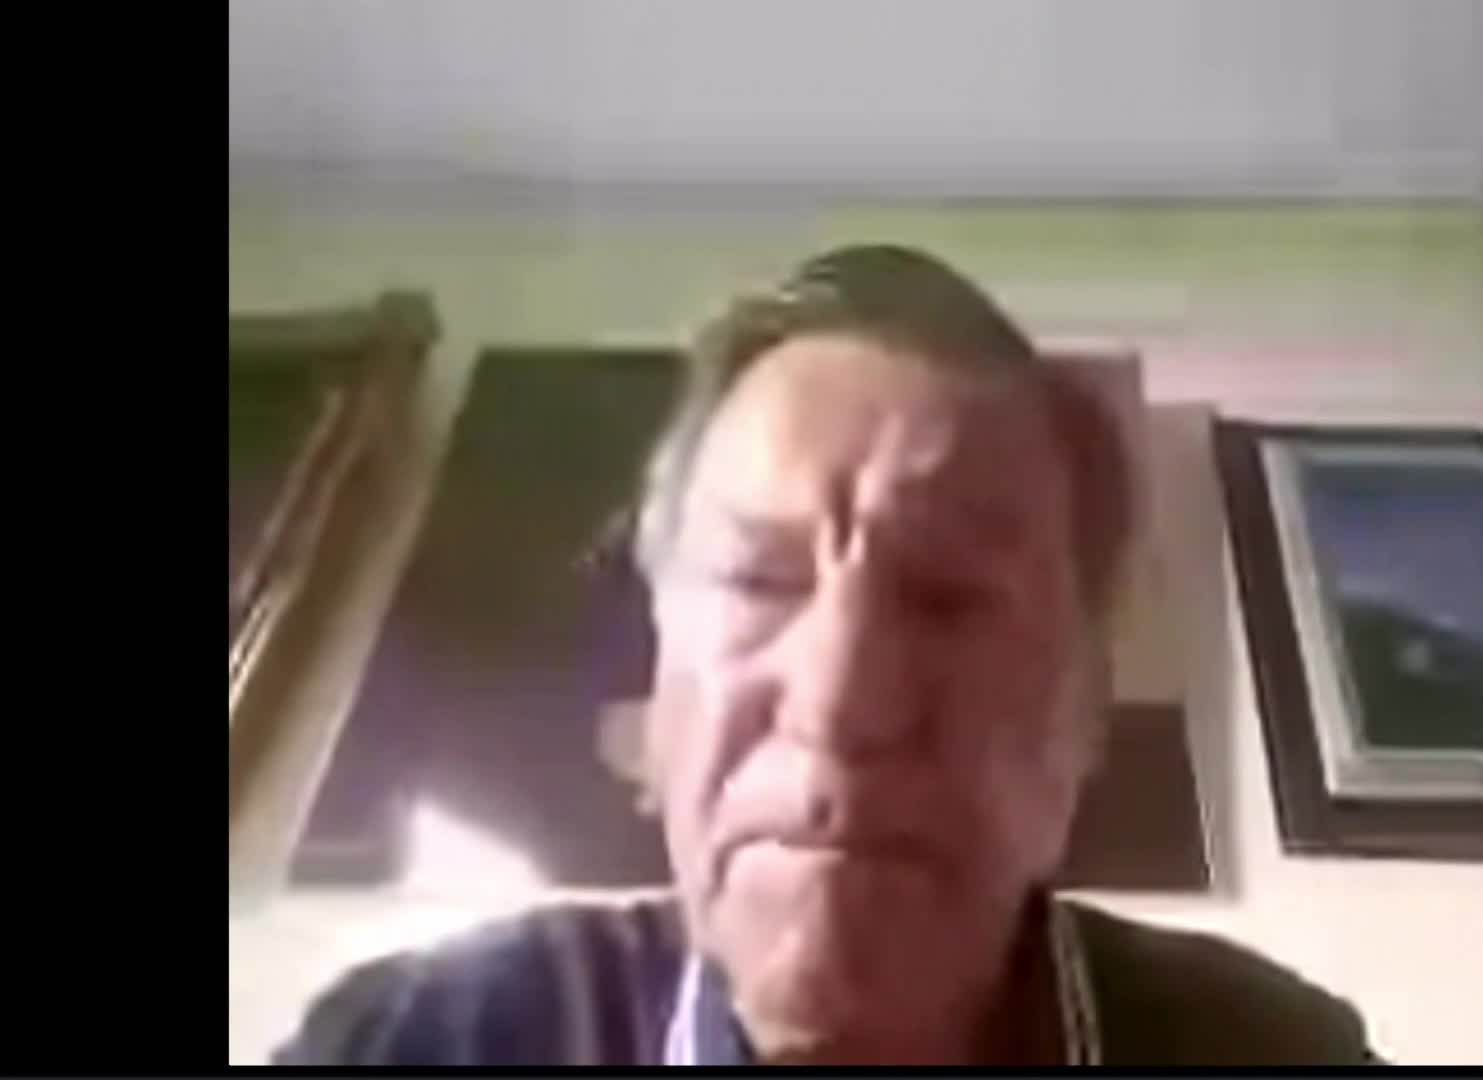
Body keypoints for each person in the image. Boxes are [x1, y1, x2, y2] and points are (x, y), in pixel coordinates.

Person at [273, 245, 1382, 1066]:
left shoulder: (1281, 1056)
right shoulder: (412, 1044)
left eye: (949, 596)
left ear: (1083, 719)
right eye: (758, 580)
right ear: (657, 705)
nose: (841, 697)